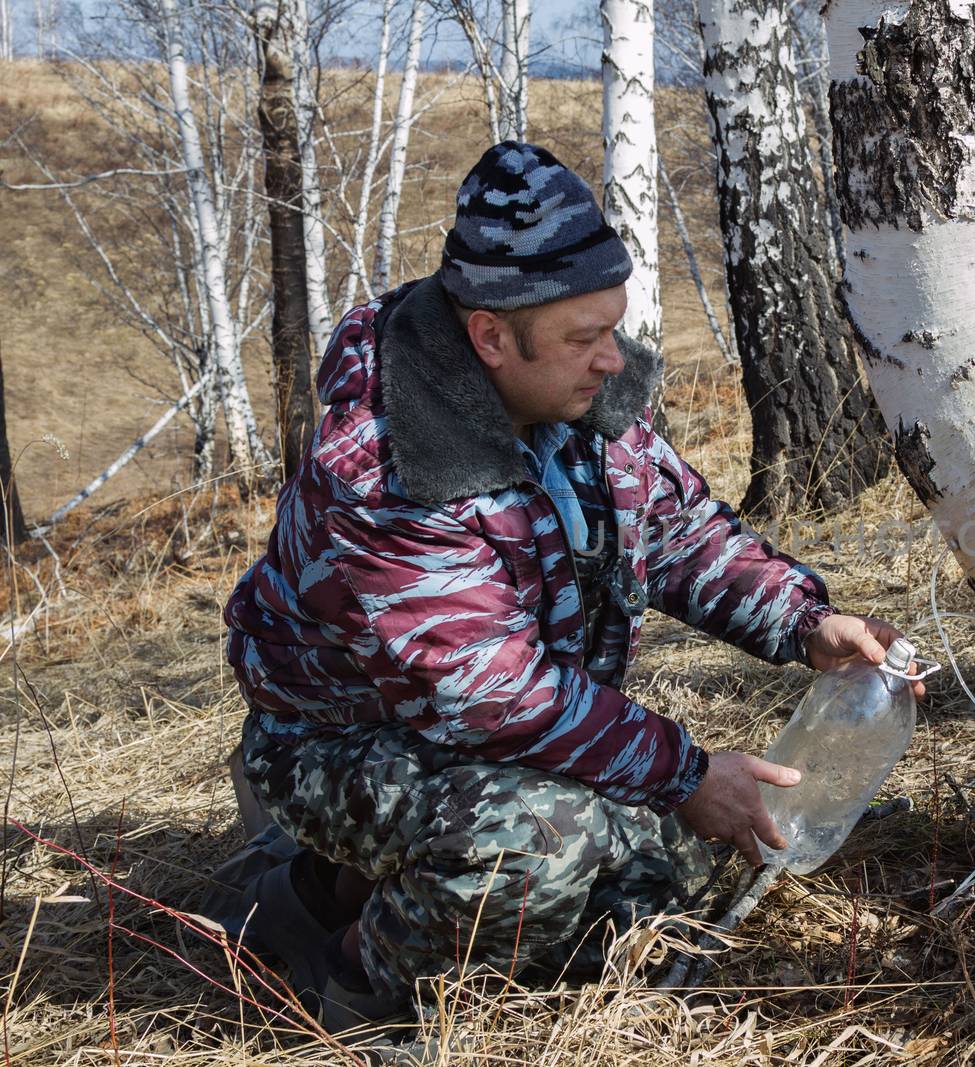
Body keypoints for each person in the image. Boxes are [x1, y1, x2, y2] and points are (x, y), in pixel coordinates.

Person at [219, 141, 921, 1029]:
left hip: (497, 729)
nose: (612, 360)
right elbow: (494, 696)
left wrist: (806, 618)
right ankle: (355, 978)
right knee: (542, 843)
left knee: (669, 872)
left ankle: (324, 890)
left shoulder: (582, 402)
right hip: (335, 741)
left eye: (614, 328)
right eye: (584, 338)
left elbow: (678, 534)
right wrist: (683, 773)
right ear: (490, 337)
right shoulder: (383, 469)